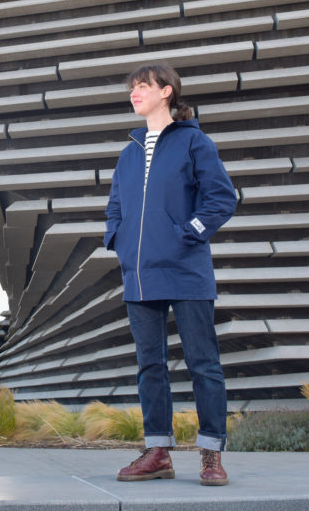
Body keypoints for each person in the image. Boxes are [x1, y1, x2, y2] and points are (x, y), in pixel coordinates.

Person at [104, 63, 236, 486]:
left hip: (186, 268)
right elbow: (116, 208)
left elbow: (221, 198)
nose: (134, 93)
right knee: (150, 367)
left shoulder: (194, 142)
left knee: (203, 364)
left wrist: (189, 233)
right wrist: (118, 240)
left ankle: (212, 454)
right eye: (132, 89)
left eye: (142, 86)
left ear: (166, 92)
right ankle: (158, 452)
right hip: (139, 273)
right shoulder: (127, 154)